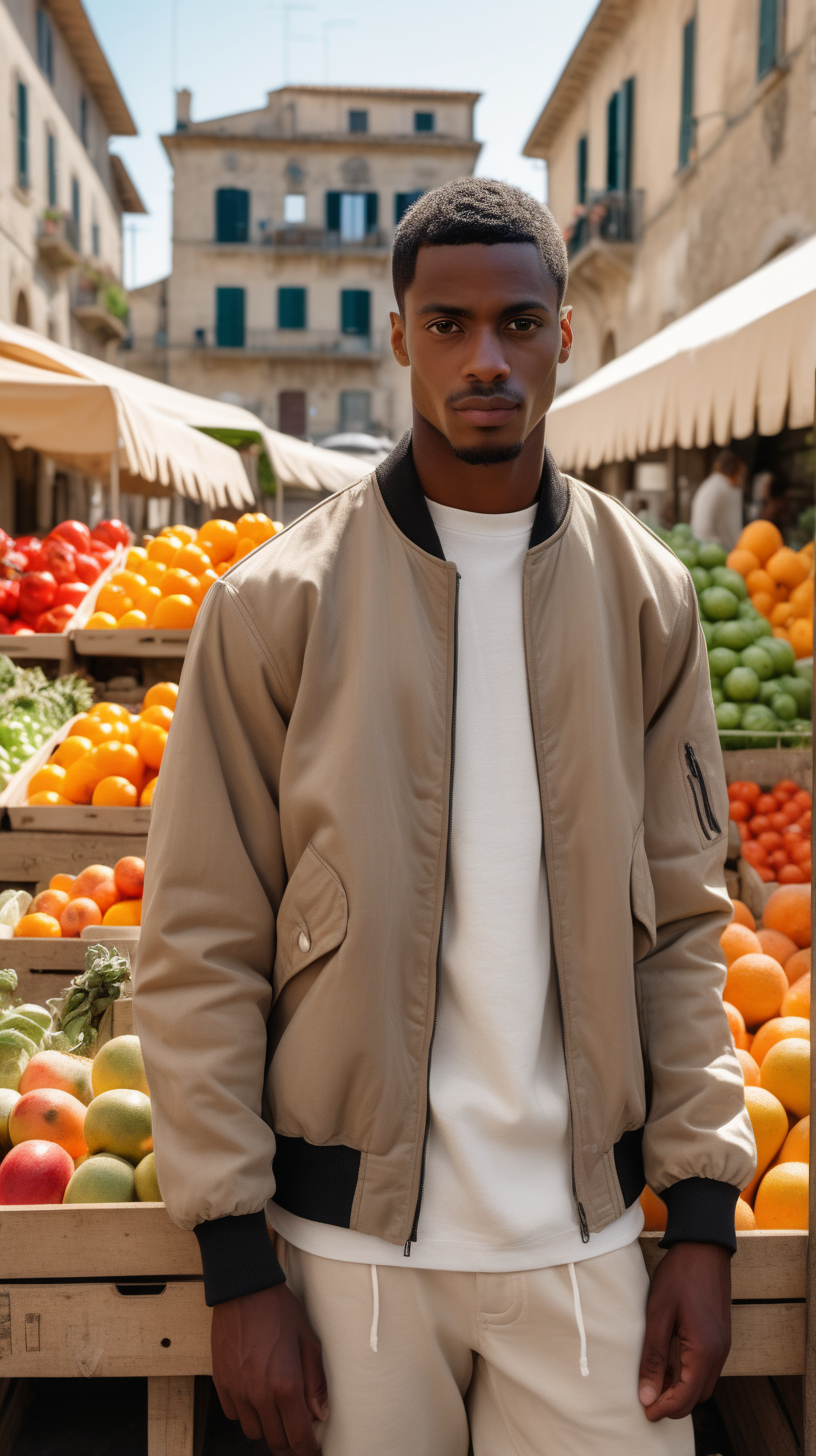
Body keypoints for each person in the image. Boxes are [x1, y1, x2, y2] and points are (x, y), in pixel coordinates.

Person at [135, 178, 755, 1456]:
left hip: (587, 1239)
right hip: (345, 1253)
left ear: (566, 335)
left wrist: (701, 1215)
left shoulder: (649, 599)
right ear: (400, 333)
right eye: (449, 324)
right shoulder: (273, 608)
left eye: (520, 324)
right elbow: (198, 940)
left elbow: (690, 919)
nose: (487, 359)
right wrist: (235, 1261)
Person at [689, 450, 746, 550]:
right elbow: (733, 529)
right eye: (741, 474)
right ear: (735, 471)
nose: (741, 480)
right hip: (717, 550)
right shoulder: (728, 489)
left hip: (701, 547)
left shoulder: (711, 483)